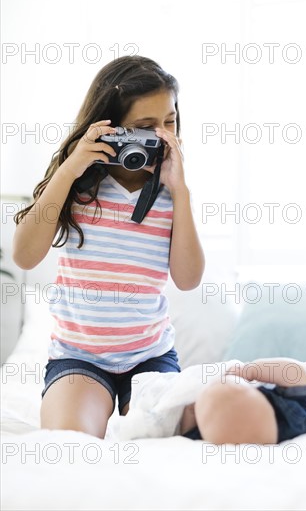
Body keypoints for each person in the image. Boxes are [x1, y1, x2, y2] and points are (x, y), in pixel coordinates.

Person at [13, 55, 205, 439]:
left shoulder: (169, 194)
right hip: (78, 356)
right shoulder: (78, 186)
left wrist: (180, 192)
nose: (163, 135)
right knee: (71, 445)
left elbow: (187, 279)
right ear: (110, 129)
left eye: (170, 122)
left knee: (161, 444)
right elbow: (24, 255)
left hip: (151, 355)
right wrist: (69, 169)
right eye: (144, 127)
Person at [179, 358, 306, 444]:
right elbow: (295, 373)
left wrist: (189, 414)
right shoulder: (291, 418)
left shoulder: (197, 437)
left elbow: (183, 432)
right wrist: (251, 371)